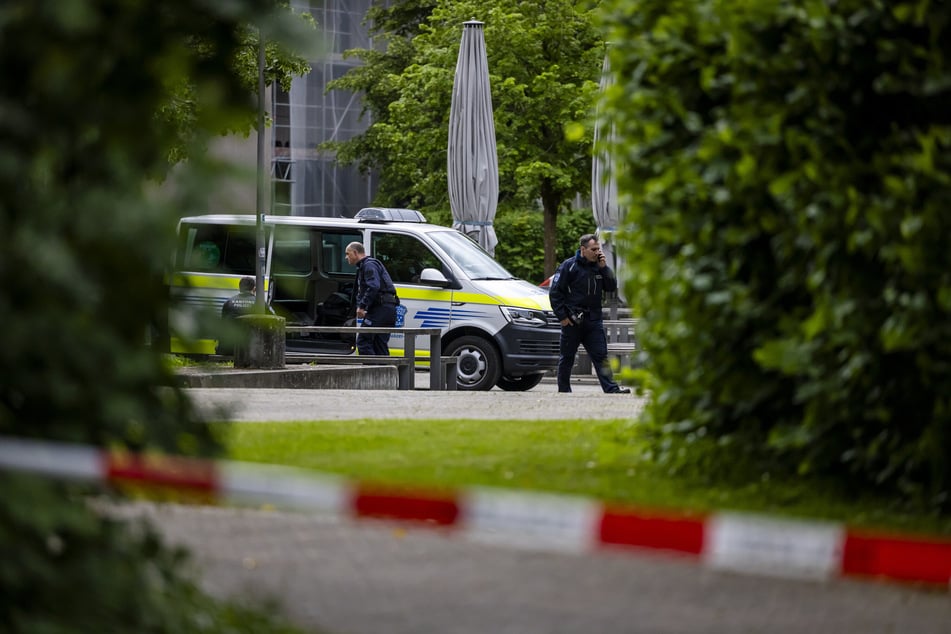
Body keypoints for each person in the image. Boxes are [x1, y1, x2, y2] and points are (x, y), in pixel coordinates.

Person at [549, 234, 631, 394]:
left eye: (598, 249)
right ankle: (564, 391)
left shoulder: (599, 266)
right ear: (583, 249)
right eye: (593, 249)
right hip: (572, 321)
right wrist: (563, 317)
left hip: (593, 321)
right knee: (567, 358)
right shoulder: (569, 266)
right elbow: (555, 293)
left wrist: (605, 268)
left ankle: (611, 389)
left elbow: (611, 287)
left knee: (601, 356)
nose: (597, 252)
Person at [345, 242, 400, 356]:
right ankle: (385, 372)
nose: (346, 257)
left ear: (355, 253)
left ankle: (372, 372)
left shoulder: (369, 265)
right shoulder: (367, 265)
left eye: (348, 254)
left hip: (380, 309)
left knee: (363, 342)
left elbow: (373, 286)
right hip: (387, 309)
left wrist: (362, 306)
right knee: (379, 345)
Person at [217, 276, 273, 355]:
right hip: (251, 350)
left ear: (239, 288)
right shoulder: (260, 303)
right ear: (254, 289)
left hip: (229, 349)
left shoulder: (228, 302)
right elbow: (274, 319)